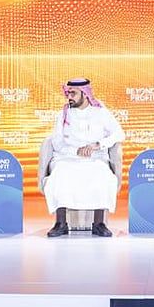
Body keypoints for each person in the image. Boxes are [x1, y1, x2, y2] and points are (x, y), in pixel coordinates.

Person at [44, 78, 124, 238]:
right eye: (68, 93)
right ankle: (61, 224)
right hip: (67, 158)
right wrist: (76, 151)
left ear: (85, 94)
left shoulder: (101, 113)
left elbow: (119, 134)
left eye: (73, 93)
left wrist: (98, 145)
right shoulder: (64, 114)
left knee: (102, 174)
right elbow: (57, 142)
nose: (69, 97)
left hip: (95, 158)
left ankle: (99, 224)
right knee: (60, 174)